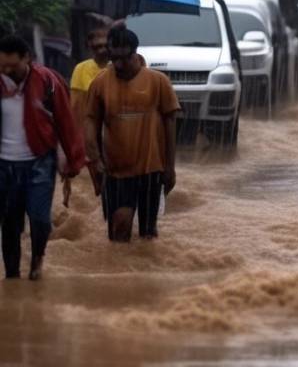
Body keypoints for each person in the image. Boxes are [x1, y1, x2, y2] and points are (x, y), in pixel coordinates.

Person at [0, 35, 85, 280]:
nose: (7, 71)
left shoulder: (47, 81)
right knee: (10, 224)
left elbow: (65, 122)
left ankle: (38, 256)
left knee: (39, 219)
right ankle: (12, 277)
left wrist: (73, 160)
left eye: (12, 66)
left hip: (39, 160)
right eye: (2, 66)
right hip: (4, 164)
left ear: (26, 59)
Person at [85, 27, 179, 242]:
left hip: (151, 169)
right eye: (113, 58)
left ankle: (144, 273)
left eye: (123, 58)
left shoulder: (158, 82)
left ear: (135, 53)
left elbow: (170, 123)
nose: (118, 64)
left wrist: (170, 167)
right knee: (119, 228)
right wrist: (95, 159)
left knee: (148, 234)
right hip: (115, 170)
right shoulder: (100, 83)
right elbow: (90, 121)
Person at [70, 27, 110, 199]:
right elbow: (76, 106)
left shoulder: (119, 67)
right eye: (96, 46)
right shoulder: (81, 69)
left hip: (116, 131)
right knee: (100, 184)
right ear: (89, 47)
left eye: (104, 45)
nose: (101, 50)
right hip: (92, 132)